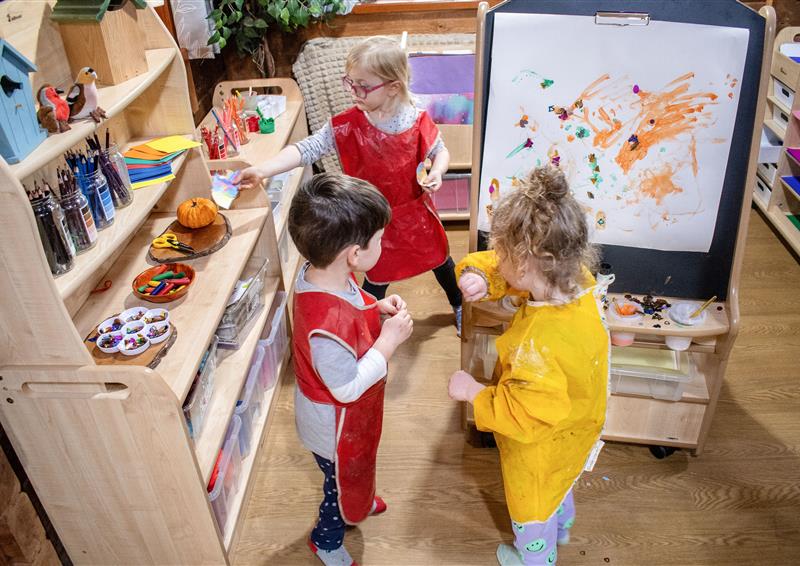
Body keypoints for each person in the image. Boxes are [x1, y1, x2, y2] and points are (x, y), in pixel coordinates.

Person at [238, 35, 463, 333]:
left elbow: (439, 151)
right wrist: (263, 169)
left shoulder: (417, 118)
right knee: (376, 275)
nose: (353, 92)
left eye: (363, 86)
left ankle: (459, 304)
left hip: (416, 215)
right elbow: (307, 149)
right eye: (350, 82)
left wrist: (439, 171)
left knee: (440, 261)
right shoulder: (346, 123)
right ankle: (366, 322)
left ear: (394, 86)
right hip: (370, 218)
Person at [448, 167, 611, 565]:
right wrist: (479, 275)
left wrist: (473, 393)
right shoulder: (580, 281)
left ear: (523, 264)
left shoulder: (537, 346)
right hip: (578, 425)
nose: (495, 258)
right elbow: (512, 272)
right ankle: (564, 524)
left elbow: (520, 415)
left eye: (499, 253)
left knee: (532, 503)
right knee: (562, 480)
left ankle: (537, 555)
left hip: (538, 447)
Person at [289, 173, 414, 566]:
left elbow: (349, 297)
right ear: (354, 255)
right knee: (335, 484)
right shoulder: (325, 329)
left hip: (350, 419)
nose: (383, 243)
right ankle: (327, 539)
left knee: (359, 468)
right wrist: (387, 344)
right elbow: (346, 388)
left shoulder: (322, 273)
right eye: (378, 239)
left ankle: (355, 497)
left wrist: (374, 307)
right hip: (334, 427)